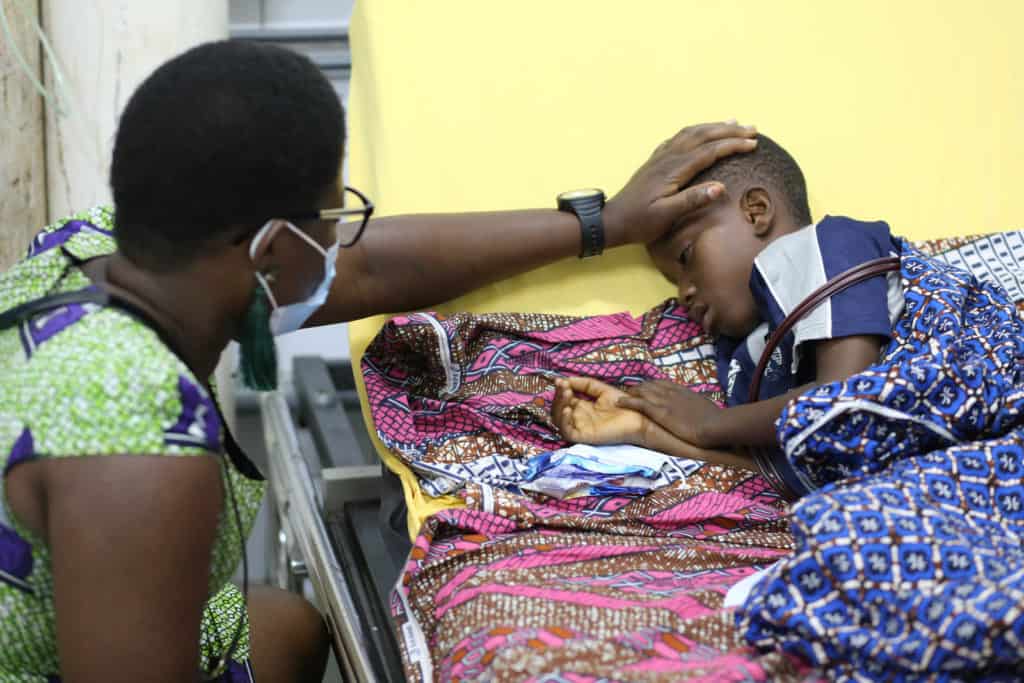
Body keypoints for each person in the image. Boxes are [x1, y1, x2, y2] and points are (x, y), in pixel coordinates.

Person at [0, 39, 758, 682]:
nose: (344, 247)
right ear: (269, 251)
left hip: (48, 606)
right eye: (335, 220)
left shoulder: (86, 248)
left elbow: (368, 272)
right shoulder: (140, 452)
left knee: (291, 630)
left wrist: (603, 223)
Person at [552, 133, 904, 499]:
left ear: (755, 211)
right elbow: (788, 475)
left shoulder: (829, 243)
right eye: (673, 281)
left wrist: (714, 423)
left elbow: (845, 399)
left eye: (686, 257)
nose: (683, 292)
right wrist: (645, 431)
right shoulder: (746, 354)